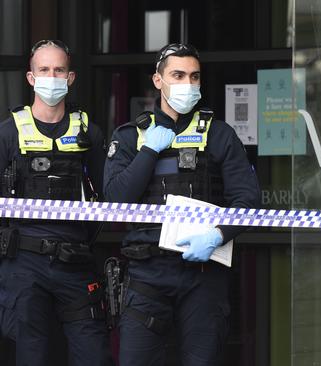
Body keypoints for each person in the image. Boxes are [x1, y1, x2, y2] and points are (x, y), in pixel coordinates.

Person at [104, 43, 261, 365]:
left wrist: (217, 235)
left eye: (194, 77)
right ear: (158, 80)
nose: (187, 84)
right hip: (147, 272)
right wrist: (148, 152)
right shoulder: (132, 136)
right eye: (178, 75)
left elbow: (248, 200)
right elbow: (116, 201)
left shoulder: (219, 135)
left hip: (203, 274)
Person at [0, 40, 111, 365]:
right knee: (30, 354)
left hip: (75, 261)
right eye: (44, 70)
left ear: (71, 77)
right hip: (24, 263)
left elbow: (108, 193)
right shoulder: (8, 134)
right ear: (31, 78)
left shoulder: (89, 133)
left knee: (93, 354)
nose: (52, 76)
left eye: (58, 70)